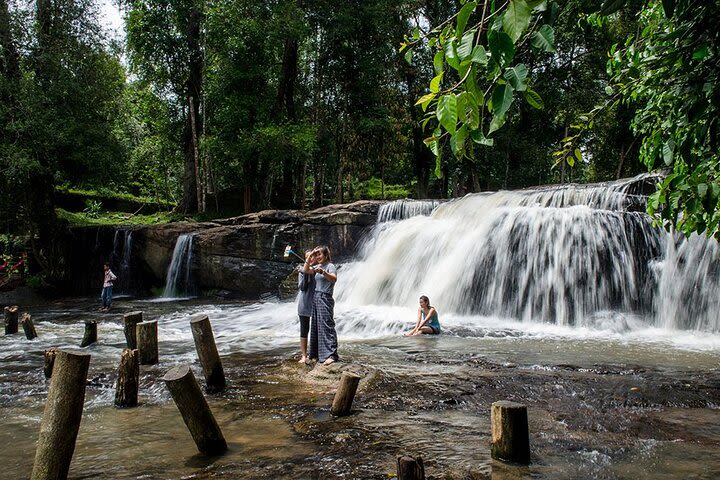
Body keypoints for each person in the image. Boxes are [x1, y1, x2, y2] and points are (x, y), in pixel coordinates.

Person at [305, 245, 338, 365]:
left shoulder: (330, 266)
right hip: (316, 297)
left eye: (319, 254)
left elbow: (334, 279)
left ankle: (332, 355)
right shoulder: (318, 266)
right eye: (316, 254)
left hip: (325, 297)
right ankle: (317, 354)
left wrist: (323, 272)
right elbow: (306, 270)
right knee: (316, 326)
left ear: (326, 255)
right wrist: (310, 256)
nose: (317, 257)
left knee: (327, 326)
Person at [296, 250, 316, 363]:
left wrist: (307, 270)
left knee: (317, 329)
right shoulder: (301, 271)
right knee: (304, 330)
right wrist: (304, 274)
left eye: (312, 256)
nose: (310, 258)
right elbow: (302, 287)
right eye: (308, 257)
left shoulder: (318, 269)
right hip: (304, 304)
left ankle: (316, 352)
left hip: (317, 304)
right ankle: (304, 355)